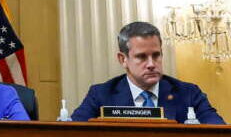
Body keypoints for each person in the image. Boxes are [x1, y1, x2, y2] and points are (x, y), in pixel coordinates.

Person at [71, 21, 223, 123]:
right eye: (141, 57)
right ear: (123, 59)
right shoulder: (102, 94)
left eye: (156, 55)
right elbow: (69, 135)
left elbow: (221, 134)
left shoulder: (188, 93)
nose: (151, 64)